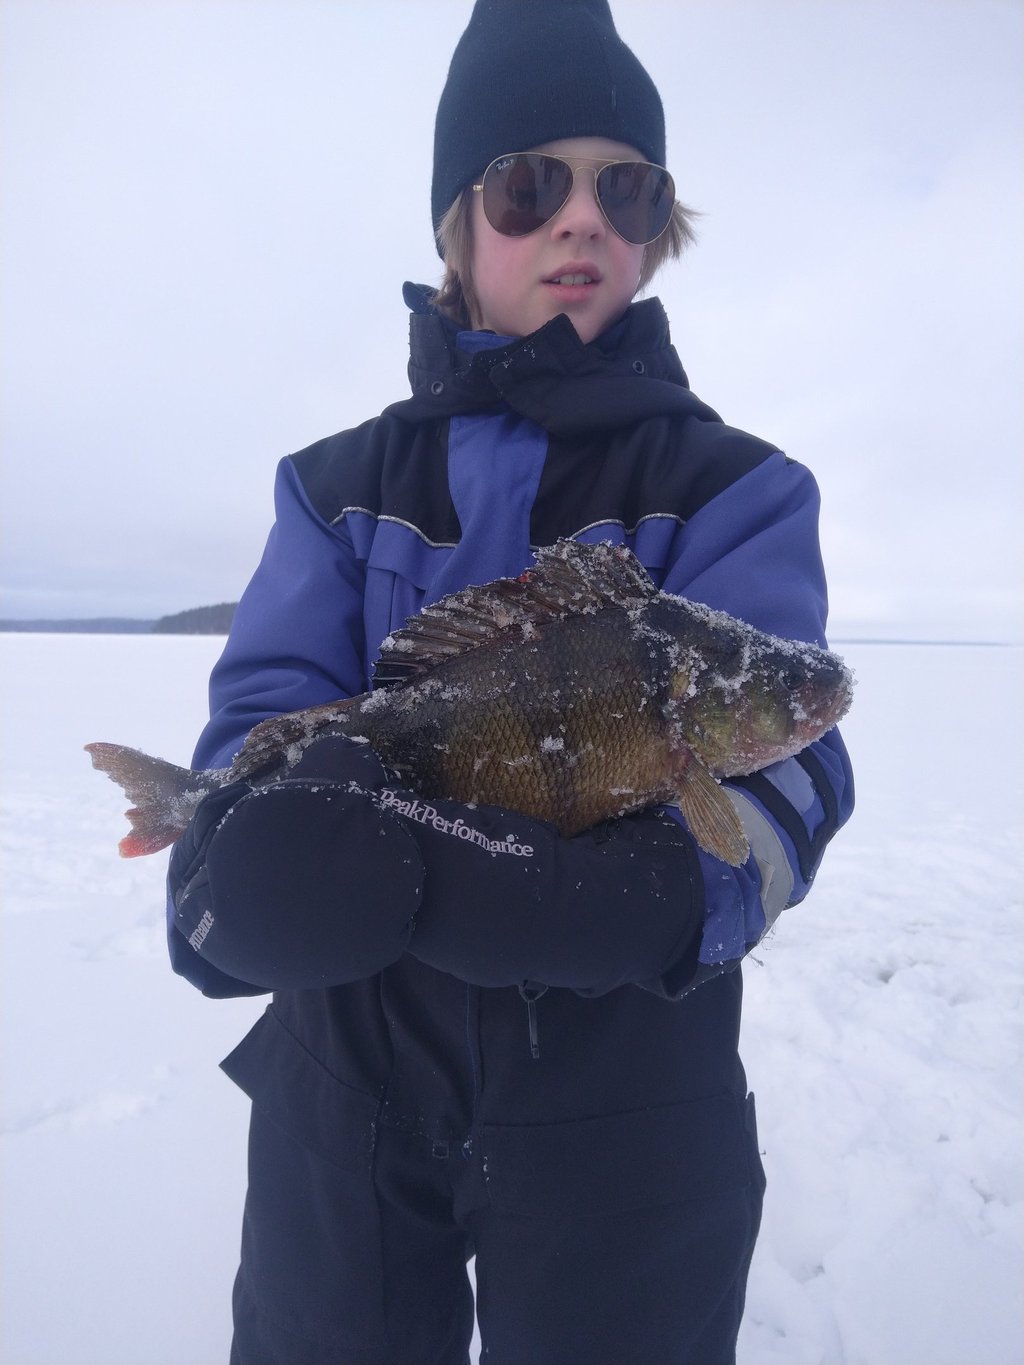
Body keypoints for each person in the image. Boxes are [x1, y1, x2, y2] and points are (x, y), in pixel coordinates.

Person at [167, 2, 854, 1361]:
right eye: (530, 183)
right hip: (343, 1077)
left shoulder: (737, 493)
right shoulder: (334, 489)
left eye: (627, 186)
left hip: (632, 1083)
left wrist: (664, 893)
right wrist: (236, 871)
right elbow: (262, 721)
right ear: (454, 225)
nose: (580, 219)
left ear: (660, 229)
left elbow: (793, 774)